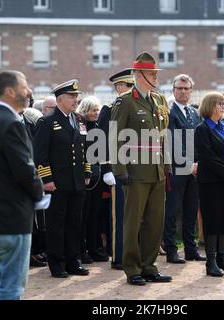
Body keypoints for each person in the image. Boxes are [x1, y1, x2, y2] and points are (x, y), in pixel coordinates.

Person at [0, 71, 44, 299]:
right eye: (24, 87)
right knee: (11, 287)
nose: (29, 92)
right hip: (10, 220)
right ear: (11, 91)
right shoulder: (12, 122)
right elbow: (24, 170)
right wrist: (39, 193)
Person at [110, 52, 171, 285]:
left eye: (156, 72)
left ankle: (149, 266)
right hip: (135, 172)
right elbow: (115, 138)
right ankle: (132, 268)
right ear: (138, 74)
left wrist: (166, 164)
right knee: (133, 222)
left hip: (157, 171)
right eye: (152, 72)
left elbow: (163, 136)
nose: (156, 75)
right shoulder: (125, 101)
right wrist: (119, 170)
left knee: (155, 222)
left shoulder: (159, 100)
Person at [34, 79, 91, 278]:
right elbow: (40, 155)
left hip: (76, 182)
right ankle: (57, 264)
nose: (76, 100)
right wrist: (46, 179)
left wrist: (86, 173)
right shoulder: (47, 122)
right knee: (57, 225)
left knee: (75, 224)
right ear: (59, 99)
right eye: (72, 96)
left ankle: (73, 261)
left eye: (77, 96)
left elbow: (85, 150)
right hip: (57, 183)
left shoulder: (79, 120)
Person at [195, 91, 224, 276]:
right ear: (210, 106)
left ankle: (223, 259)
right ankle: (211, 262)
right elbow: (207, 158)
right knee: (212, 221)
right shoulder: (202, 129)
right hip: (211, 182)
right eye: (220, 104)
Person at [163, 74, 205, 264]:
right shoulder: (169, 113)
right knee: (172, 211)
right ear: (173, 91)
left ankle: (191, 249)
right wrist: (189, 163)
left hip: (195, 170)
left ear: (191, 91)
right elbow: (172, 141)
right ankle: (171, 250)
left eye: (186, 88)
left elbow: (198, 141)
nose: (183, 91)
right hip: (176, 169)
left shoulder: (195, 113)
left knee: (191, 210)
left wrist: (198, 163)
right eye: (179, 88)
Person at [98, 68, 134, 270]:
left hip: (136, 168)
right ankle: (119, 256)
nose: (129, 90)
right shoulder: (109, 109)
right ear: (119, 88)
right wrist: (106, 169)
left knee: (135, 215)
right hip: (117, 169)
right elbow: (101, 141)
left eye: (131, 87)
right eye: (127, 87)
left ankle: (133, 254)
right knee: (119, 215)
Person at [76, 96, 108, 264]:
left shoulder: (97, 126)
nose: (96, 113)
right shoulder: (81, 127)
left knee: (95, 215)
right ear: (85, 110)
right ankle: (82, 250)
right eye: (93, 110)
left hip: (98, 176)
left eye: (97, 110)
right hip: (85, 177)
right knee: (84, 215)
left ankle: (94, 247)